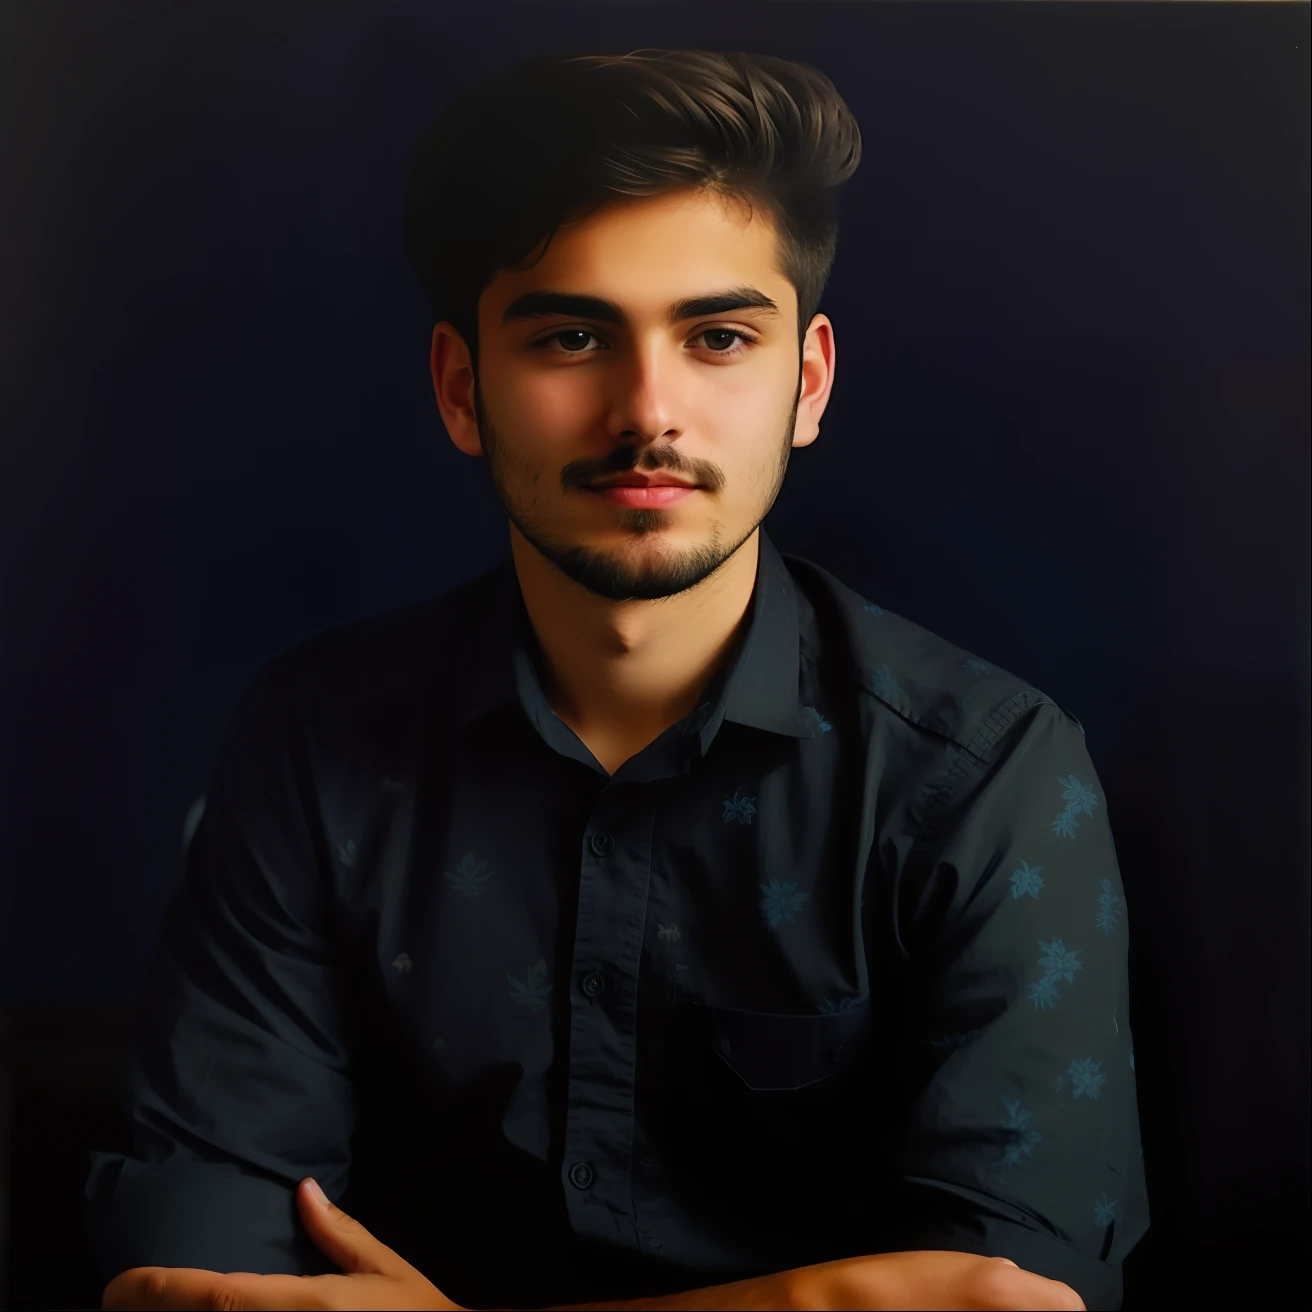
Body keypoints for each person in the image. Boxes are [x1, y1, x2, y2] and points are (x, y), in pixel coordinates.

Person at [85, 47, 1146, 1312]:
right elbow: (183, 1277)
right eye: (572, 335)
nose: (648, 409)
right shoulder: (315, 744)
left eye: (717, 336)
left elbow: (1010, 1300)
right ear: (460, 388)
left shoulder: (990, 775)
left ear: (805, 382)